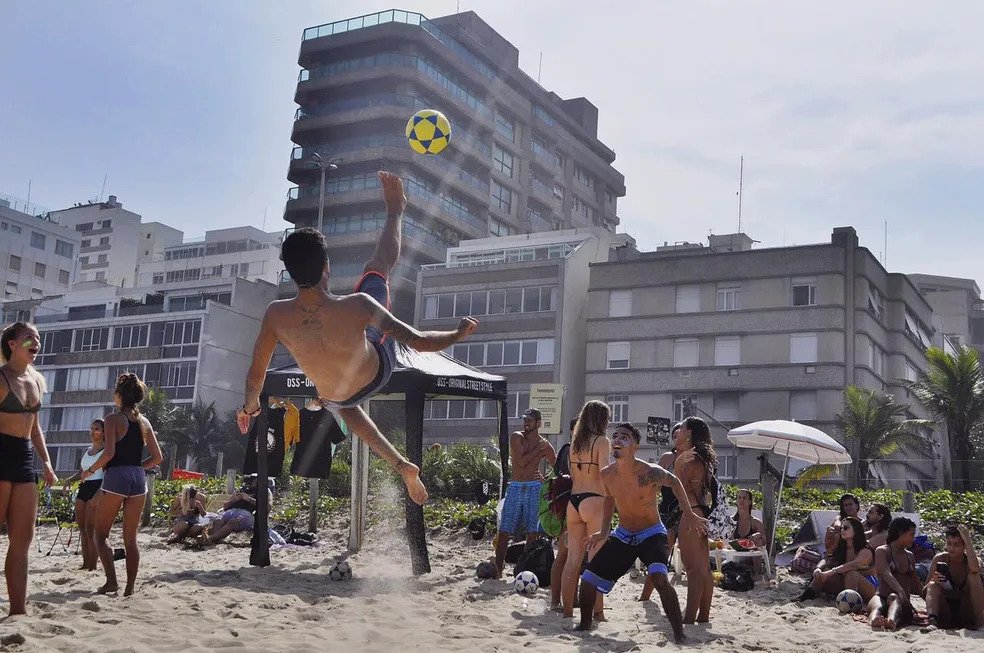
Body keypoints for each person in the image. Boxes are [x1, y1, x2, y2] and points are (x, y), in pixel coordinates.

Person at [237, 172, 478, 506]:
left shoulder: (275, 315)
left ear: (290, 273)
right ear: (327, 267)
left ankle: (400, 464)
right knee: (377, 269)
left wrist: (250, 406)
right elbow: (419, 342)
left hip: (335, 393)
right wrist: (457, 333)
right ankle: (396, 211)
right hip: (378, 370)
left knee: (343, 403)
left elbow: (256, 374)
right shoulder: (359, 306)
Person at [576, 423, 707, 641]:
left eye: (625, 437)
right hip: (623, 534)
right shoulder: (607, 474)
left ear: (635, 447)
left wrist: (690, 513)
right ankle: (584, 625)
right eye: (615, 436)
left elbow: (674, 482)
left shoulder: (649, 472)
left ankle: (679, 634)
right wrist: (604, 531)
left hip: (652, 533)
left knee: (658, 577)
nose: (617, 440)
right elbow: (609, 499)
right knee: (588, 579)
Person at [82, 373, 163, 596]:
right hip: (138, 479)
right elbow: (157, 458)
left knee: (101, 535)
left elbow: (109, 453)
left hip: (117, 476)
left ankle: (111, 582)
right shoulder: (144, 421)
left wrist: (89, 471)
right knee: (130, 539)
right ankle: (129, 589)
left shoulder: (112, 419)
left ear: (119, 395)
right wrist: (137, 467)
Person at [0, 322, 57, 615]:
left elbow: (35, 430)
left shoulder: (37, 380)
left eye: (38, 338)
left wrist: (46, 462)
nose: (36, 342)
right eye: (29, 337)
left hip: (23, 459)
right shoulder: (1, 378)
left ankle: (18, 611)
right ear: (12, 344)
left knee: (22, 540)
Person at [561, 401, 612, 621]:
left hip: (574, 501)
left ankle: (567, 611)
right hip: (594, 500)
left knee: (572, 560)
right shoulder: (601, 441)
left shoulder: (574, 443)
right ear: (601, 419)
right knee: (596, 561)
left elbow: (573, 475)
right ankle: (597, 611)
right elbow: (605, 475)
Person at [492, 408, 556, 577]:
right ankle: (498, 567)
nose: (526, 422)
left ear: (538, 423)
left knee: (531, 531)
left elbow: (558, 467)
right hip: (515, 487)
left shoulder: (545, 444)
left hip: (534, 487)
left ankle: (525, 568)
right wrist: (539, 450)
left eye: (530, 419)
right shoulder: (517, 437)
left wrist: (546, 479)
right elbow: (520, 462)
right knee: (505, 529)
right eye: (525, 419)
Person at [672, 417, 718, 623]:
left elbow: (677, 489)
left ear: (689, 433)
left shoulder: (689, 460)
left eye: (681, 428)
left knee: (693, 569)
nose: (678, 431)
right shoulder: (703, 459)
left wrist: (678, 463)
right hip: (700, 512)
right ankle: (703, 615)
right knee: (704, 569)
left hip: (691, 514)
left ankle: (690, 616)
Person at [640, 425, 682, 601]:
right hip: (668, 510)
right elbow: (653, 484)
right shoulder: (668, 458)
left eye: (679, 434)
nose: (676, 437)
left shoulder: (695, 459)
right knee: (662, 553)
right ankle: (645, 595)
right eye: (674, 435)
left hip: (687, 510)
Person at [797, 516, 877, 604]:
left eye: (846, 528)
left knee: (852, 574)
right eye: (841, 528)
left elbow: (854, 565)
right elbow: (827, 559)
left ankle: (850, 603)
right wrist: (818, 568)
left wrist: (832, 571)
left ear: (856, 530)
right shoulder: (842, 547)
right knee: (823, 572)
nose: (842, 530)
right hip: (848, 583)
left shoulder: (865, 548)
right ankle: (807, 595)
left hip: (869, 585)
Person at [62, 419, 106, 570]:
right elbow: (82, 471)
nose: (93, 431)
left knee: (90, 528)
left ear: (104, 432)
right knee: (82, 528)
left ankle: (93, 565)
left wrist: (101, 491)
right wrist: (69, 480)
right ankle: (85, 562)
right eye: (92, 428)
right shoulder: (88, 450)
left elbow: (108, 473)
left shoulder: (107, 451)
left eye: (97, 429)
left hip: (97, 487)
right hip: (84, 487)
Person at [924, 525, 984, 630]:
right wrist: (935, 580)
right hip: (946, 608)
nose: (952, 548)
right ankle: (933, 623)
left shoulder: (973, 561)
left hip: (966, 609)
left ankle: (980, 624)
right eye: (949, 543)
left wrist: (968, 540)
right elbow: (924, 592)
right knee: (932, 584)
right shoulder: (940, 558)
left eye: (956, 545)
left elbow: (975, 568)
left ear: (964, 546)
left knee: (973, 576)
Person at [868, 517, 923, 631]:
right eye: (911, 534)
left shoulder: (910, 556)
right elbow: (885, 572)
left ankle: (891, 621)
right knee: (877, 605)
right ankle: (874, 620)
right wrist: (900, 590)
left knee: (894, 598)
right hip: (881, 596)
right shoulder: (882, 551)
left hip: (901, 603)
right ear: (900, 533)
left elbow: (917, 585)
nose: (913, 538)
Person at [549, 417, 576, 611]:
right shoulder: (570, 449)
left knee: (573, 557)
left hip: (574, 507)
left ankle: (570, 598)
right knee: (564, 555)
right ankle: (555, 601)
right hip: (568, 508)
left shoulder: (577, 449)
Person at [205, 476, 273, 544]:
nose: (253, 480)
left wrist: (249, 499)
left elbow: (268, 507)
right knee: (218, 521)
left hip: (248, 514)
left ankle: (211, 538)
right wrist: (233, 500)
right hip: (231, 511)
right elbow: (225, 506)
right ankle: (211, 539)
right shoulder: (243, 489)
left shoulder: (265, 490)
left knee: (232, 521)